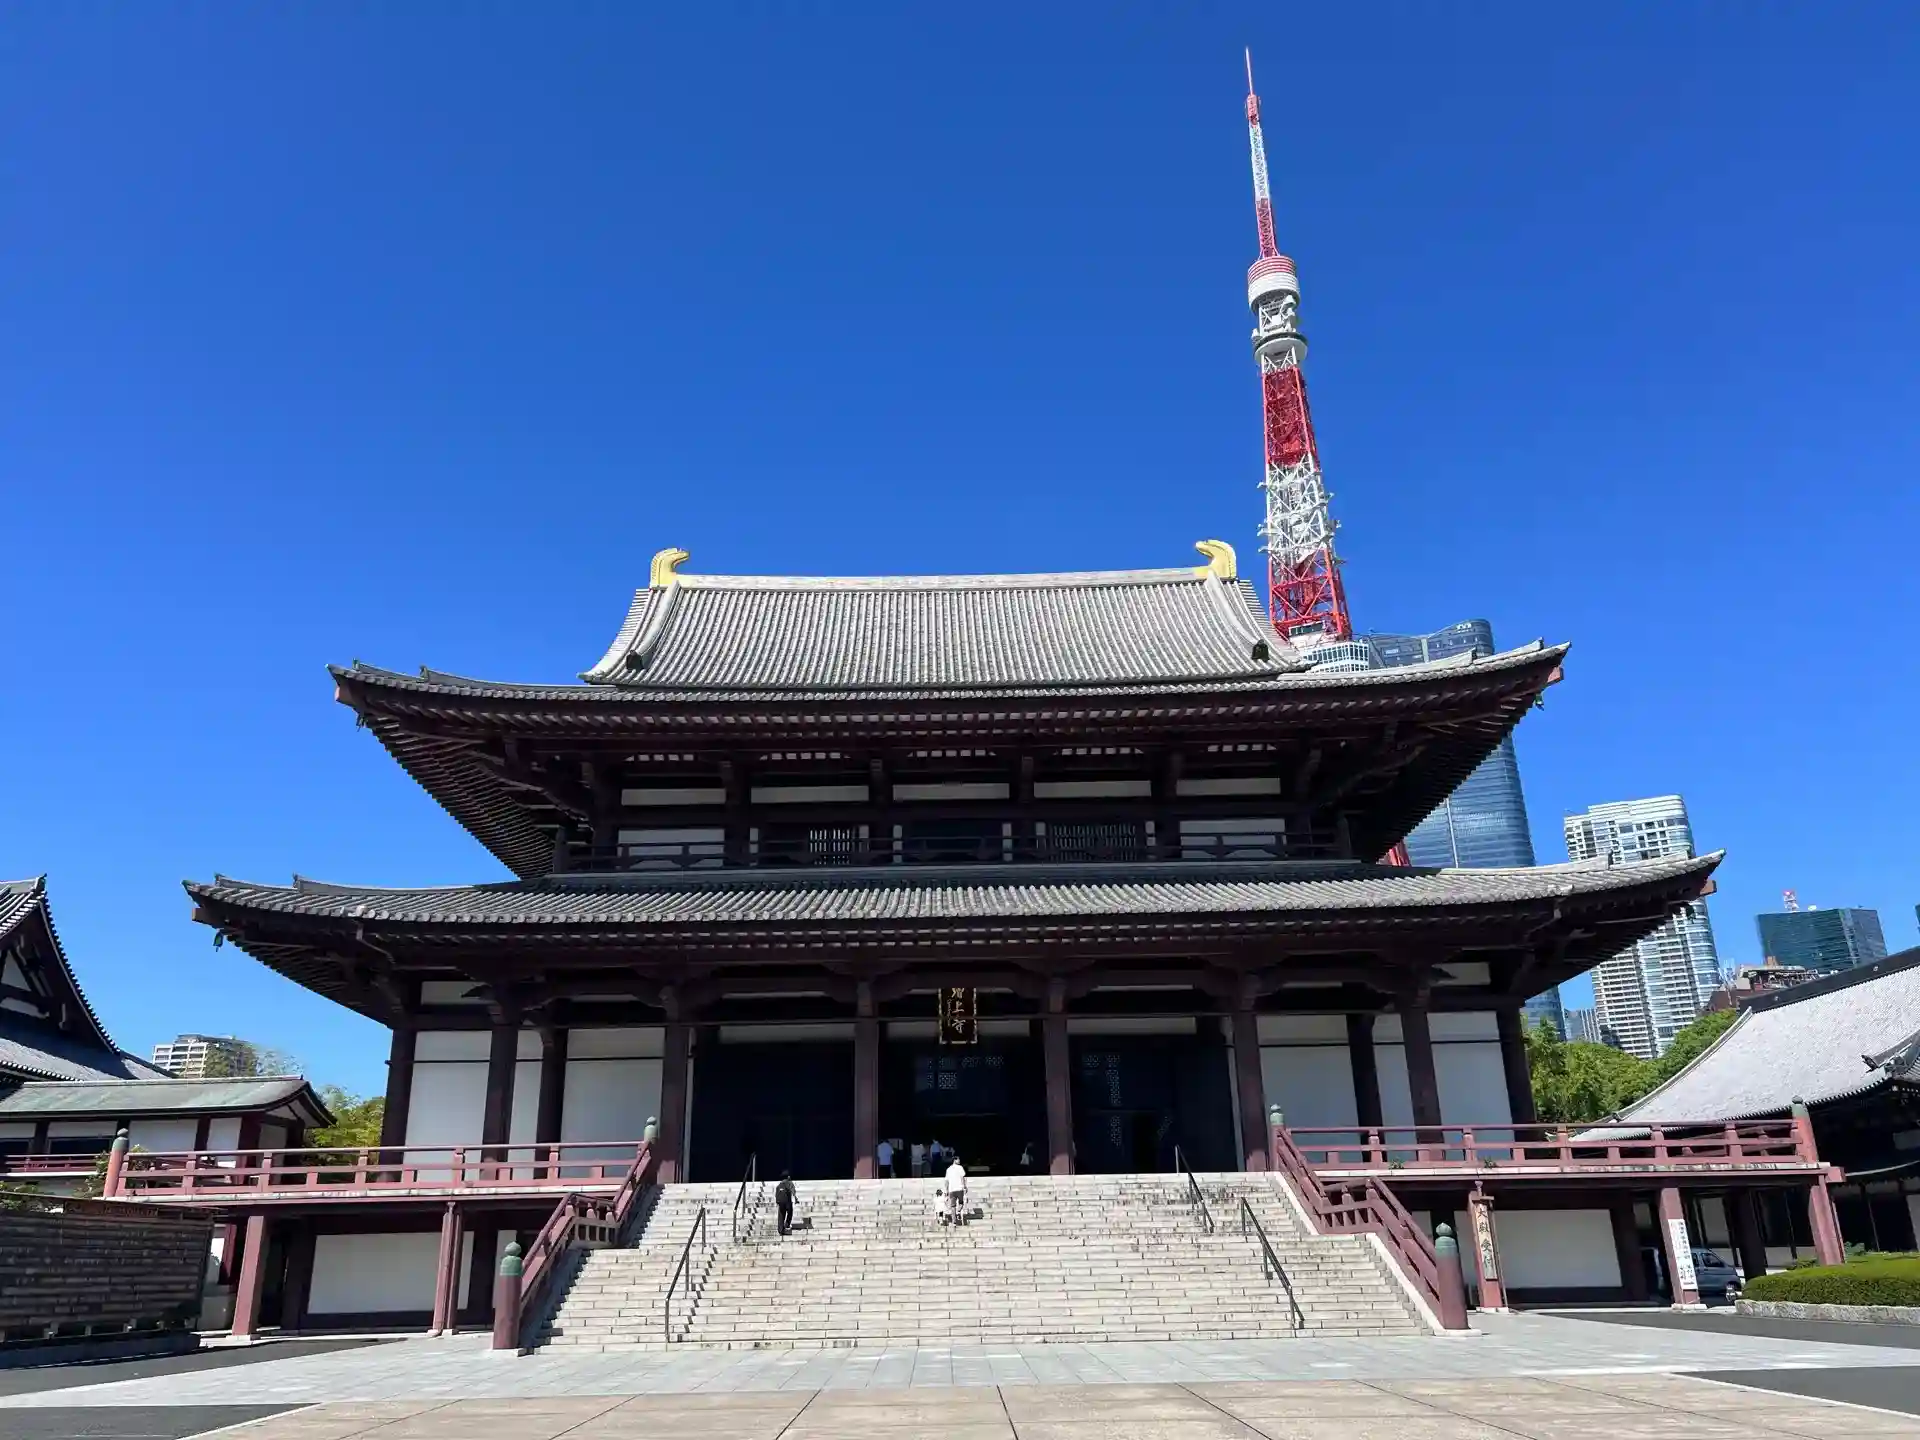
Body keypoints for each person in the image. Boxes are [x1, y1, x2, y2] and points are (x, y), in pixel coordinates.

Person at [944, 1153, 967, 1226]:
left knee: (953, 1206)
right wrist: (964, 1186)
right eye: (958, 1159)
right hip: (959, 1188)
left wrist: (946, 1190)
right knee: (961, 1203)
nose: (959, 1160)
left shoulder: (948, 1169)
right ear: (954, 1160)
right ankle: (958, 1211)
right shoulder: (960, 1168)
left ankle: (954, 1220)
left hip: (952, 1189)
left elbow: (946, 1181)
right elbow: (962, 1177)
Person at [775, 1170, 796, 1236]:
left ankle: (780, 1230)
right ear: (788, 1176)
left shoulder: (779, 1185)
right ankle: (787, 1224)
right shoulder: (789, 1183)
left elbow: (776, 1195)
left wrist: (778, 1202)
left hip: (781, 1202)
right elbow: (793, 1191)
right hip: (787, 1202)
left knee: (781, 1216)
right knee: (790, 1212)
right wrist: (796, 1198)